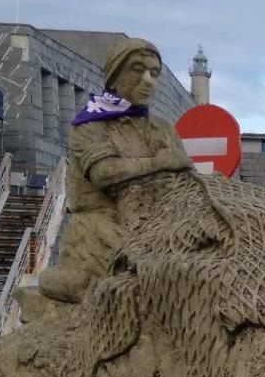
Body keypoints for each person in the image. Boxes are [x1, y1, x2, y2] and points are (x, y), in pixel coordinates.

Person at [37, 38, 192, 305]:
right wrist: (158, 163)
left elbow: (183, 176)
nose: (148, 80)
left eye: (154, 73)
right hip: (101, 225)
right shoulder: (91, 124)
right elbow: (103, 172)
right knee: (132, 288)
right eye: (137, 69)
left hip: (157, 224)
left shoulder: (163, 129)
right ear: (115, 76)